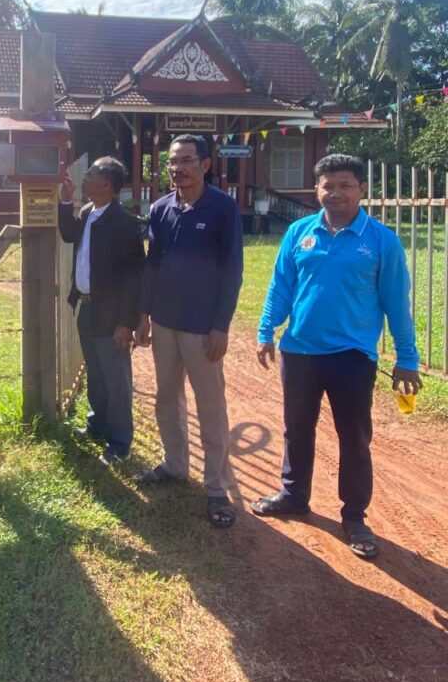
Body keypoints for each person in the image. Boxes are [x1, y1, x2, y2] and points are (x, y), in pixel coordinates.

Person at [254, 153, 422, 560]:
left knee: (354, 436)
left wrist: (407, 358)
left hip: (352, 356)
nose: (336, 193)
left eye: (345, 185)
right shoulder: (299, 232)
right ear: (317, 190)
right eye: (328, 186)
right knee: (297, 429)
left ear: (362, 190)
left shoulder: (380, 240)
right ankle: (294, 495)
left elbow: (397, 303)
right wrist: (266, 331)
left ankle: (355, 516)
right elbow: (281, 286)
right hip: (299, 351)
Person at [135, 134, 243, 529]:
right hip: (164, 322)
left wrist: (220, 326)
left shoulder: (223, 208)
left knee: (210, 406)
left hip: (202, 327)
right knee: (167, 398)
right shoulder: (161, 208)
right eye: (172, 161)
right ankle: (175, 465)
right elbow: (152, 264)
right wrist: (144, 314)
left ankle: (216, 487)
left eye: (186, 160)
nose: (177, 168)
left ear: (205, 164)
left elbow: (232, 270)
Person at [59, 157, 145, 466]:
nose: (85, 177)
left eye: (91, 173)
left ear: (106, 183)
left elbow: (135, 276)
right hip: (86, 307)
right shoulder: (87, 213)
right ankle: (98, 425)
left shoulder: (124, 223)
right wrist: (66, 201)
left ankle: (119, 443)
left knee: (116, 379)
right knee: (96, 372)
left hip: (112, 315)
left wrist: (126, 322)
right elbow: (69, 234)